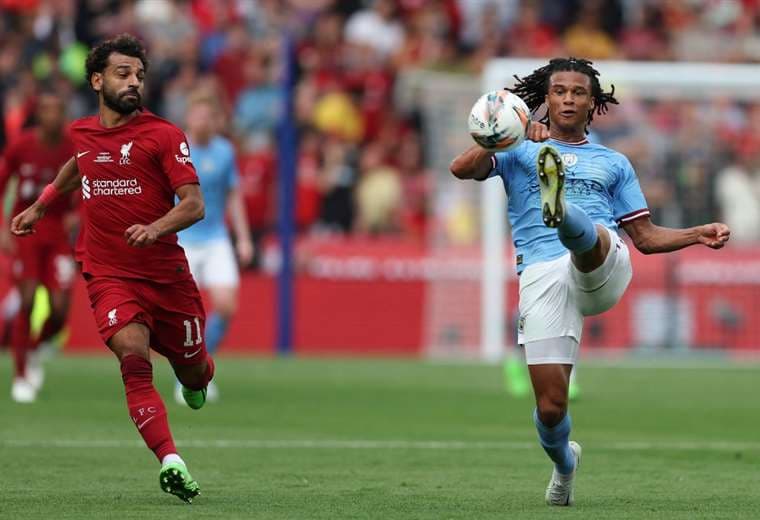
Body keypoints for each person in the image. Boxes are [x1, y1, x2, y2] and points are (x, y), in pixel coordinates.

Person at [450, 57, 730, 507]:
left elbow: (646, 237)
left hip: (603, 266)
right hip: (542, 276)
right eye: (559, 91)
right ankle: (565, 464)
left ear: (592, 103)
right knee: (551, 407)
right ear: (545, 98)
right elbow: (462, 168)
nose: (568, 98)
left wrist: (697, 233)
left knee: (593, 238)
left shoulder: (613, 162)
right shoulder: (517, 148)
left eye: (578, 92)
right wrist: (504, 134)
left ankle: (562, 213)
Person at [10, 34, 214, 503]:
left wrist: (156, 228)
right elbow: (76, 166)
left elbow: (195, 205)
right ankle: (171, 461)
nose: (133, 82)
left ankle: (198, 377)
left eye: (139, 75)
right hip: (109, 274)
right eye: (123, 73)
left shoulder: (164, 135)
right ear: (98, 80)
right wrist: (41, 206)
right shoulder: (82, 133)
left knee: (194, 371)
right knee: (133, 359)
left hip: (167, 279)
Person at [174, 92, 253, 404]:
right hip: (182, 239)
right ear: (189, 118)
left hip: (217, 237)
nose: (203, 122)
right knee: (183, 313)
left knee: (226, 306)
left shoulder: (224, 151)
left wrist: (243, 238)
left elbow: (233, 195)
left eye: (209, 116)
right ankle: (185, 376)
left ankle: (200, 367)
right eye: (198, 116)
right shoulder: (177, 149)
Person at [0, 91, 77, 403]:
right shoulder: (22, 145)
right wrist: (3, 228)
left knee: (59, 310)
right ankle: (20, 376)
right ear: (38, 115)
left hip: (57, 232)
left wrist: (76, 214)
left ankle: (34, 348)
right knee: (28, 298)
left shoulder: (72, 146)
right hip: (26, 230)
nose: (53, 116)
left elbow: (87, 186)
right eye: (47, 110)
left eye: (58, 110)